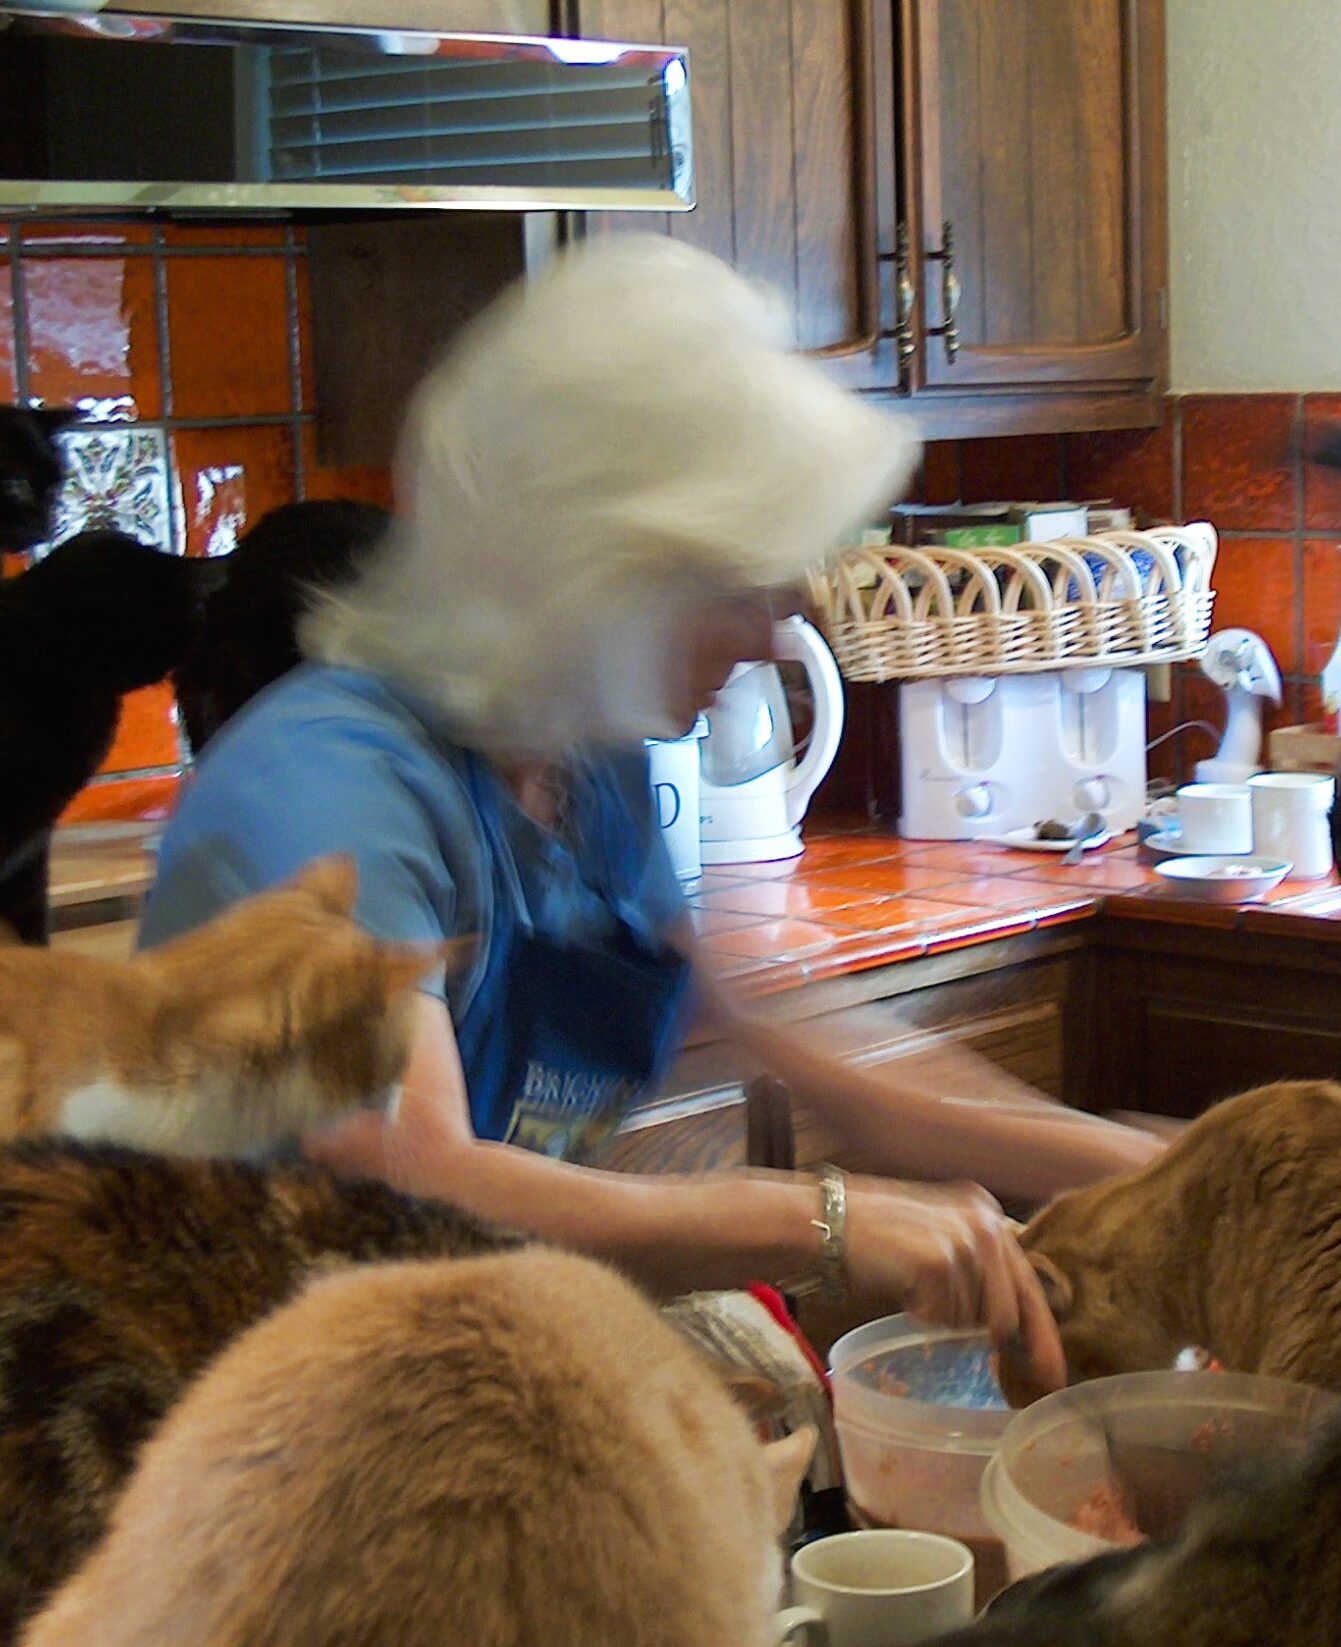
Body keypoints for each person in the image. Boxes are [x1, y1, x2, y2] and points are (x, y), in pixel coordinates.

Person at [140, 236, 1161, 1393]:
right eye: (739, 584)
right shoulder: (324, 793)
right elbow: (410, 1181)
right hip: (224, 1418)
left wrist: (1154, 1174)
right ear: (587, 575)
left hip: (433, 1365)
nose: (778, 631)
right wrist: (818, 1218)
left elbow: (815, 1054)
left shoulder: (589, 762)